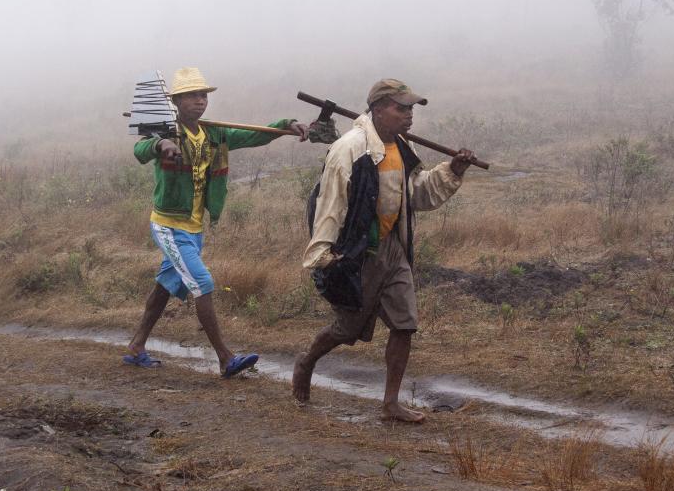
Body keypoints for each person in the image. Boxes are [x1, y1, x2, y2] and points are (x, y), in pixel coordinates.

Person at [293, 78, 478, 421]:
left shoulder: (401, 147)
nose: (408, 116)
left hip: (393, 246)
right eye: (400, 108)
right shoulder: (350, 148)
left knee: (404, 323)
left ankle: (390, 403)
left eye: (410, 109)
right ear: (378, 109)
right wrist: (323, 253)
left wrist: (453, 170)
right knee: (347, 329)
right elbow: (330, 204)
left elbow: (416, 195)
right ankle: (306, 362)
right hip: (359, 251)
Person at [126, 67, 309, 377]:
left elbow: (253, 135)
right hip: (169, 226)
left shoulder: (214, 133)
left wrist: (285, 125)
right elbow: (141, 148)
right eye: (192, 96)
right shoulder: (166, 132)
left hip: (194, 229)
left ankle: (135, 347)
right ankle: (225, 358)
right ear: (177, 101)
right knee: (203, 283)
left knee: (163, 288)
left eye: (203, 95)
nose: (200, 101)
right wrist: (161, 145)